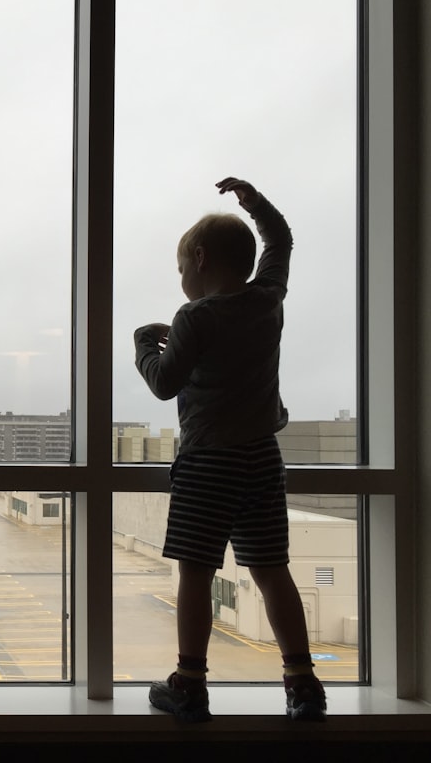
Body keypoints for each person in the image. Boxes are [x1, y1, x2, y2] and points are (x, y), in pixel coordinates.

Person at [133, 177, 326, 723]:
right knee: (271, 571)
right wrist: (255, 203)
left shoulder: (194, 318)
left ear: (197, 258)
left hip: (208, 462)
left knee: (196, 572)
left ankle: (190, 684)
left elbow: (164, 383)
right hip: (262, 458)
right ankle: (302, 684)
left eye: (181, 270)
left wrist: (145, 344)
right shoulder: (267, 300)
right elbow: (281, 242)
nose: (182, 281)